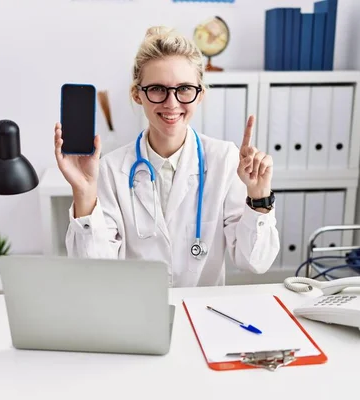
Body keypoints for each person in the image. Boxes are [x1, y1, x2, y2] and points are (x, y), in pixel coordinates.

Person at [54, 26, 279, 287]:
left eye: (184, 89)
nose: (171, 103)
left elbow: (254, 262)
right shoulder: (110, 169)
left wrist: (259, 197)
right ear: (137, 94)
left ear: (200, 94)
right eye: (158, 89)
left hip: (200, 314)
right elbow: (92, 270)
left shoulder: (225, 160)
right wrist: (83, 191)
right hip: (136, 314)